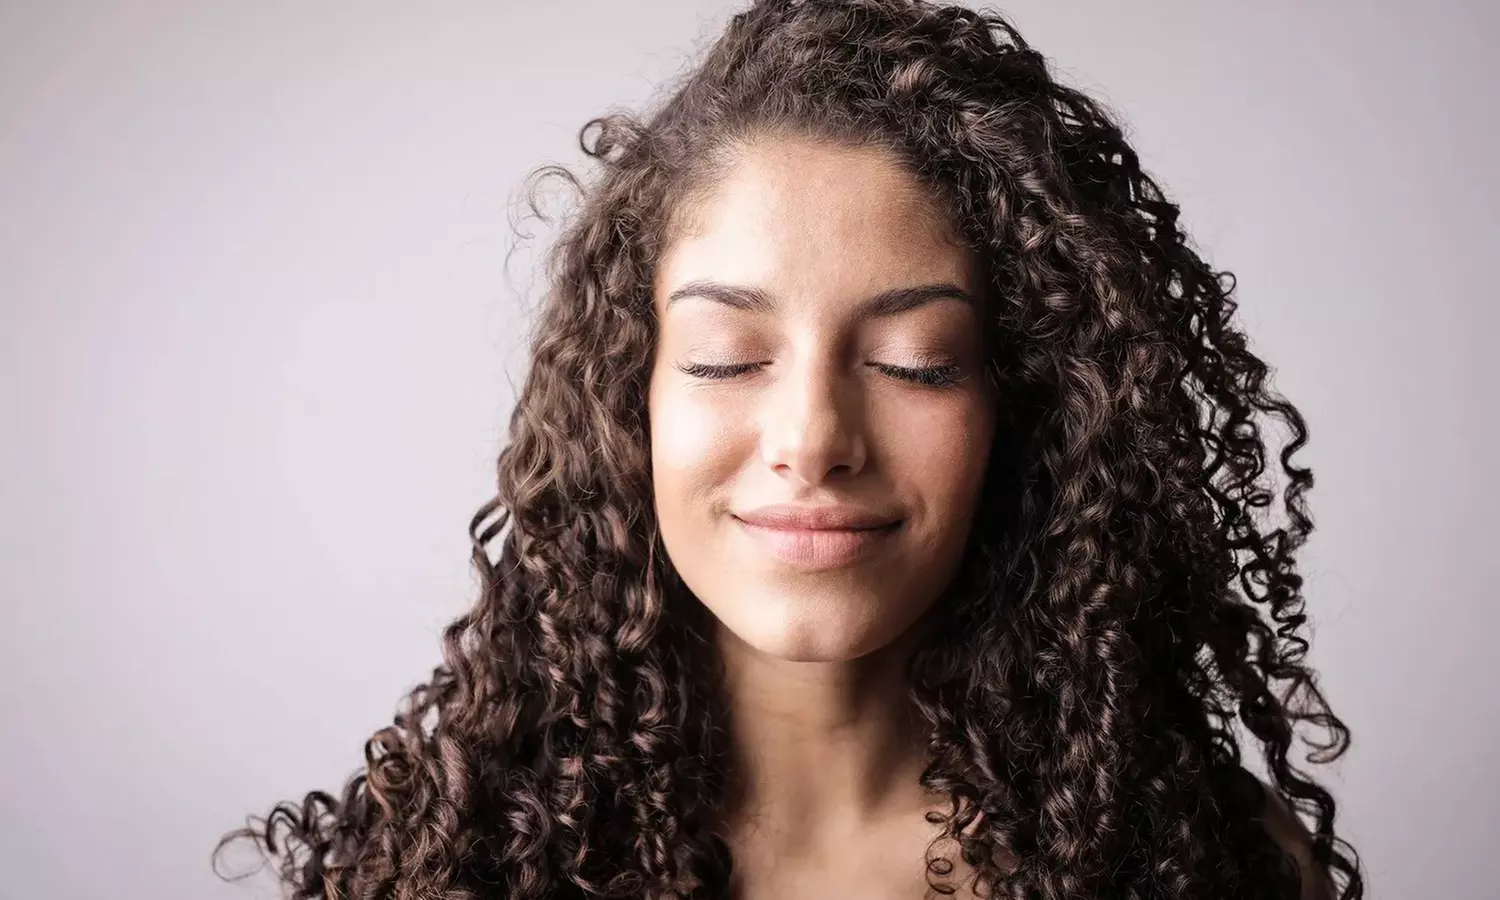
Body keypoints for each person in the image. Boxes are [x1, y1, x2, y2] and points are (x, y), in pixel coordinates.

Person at [215, 1, 1364, 898]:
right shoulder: (448, 861)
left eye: (917, 360)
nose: (813, 441)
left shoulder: (1206, 867)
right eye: (724, 356)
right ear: (631, 402)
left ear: (1028, 408)